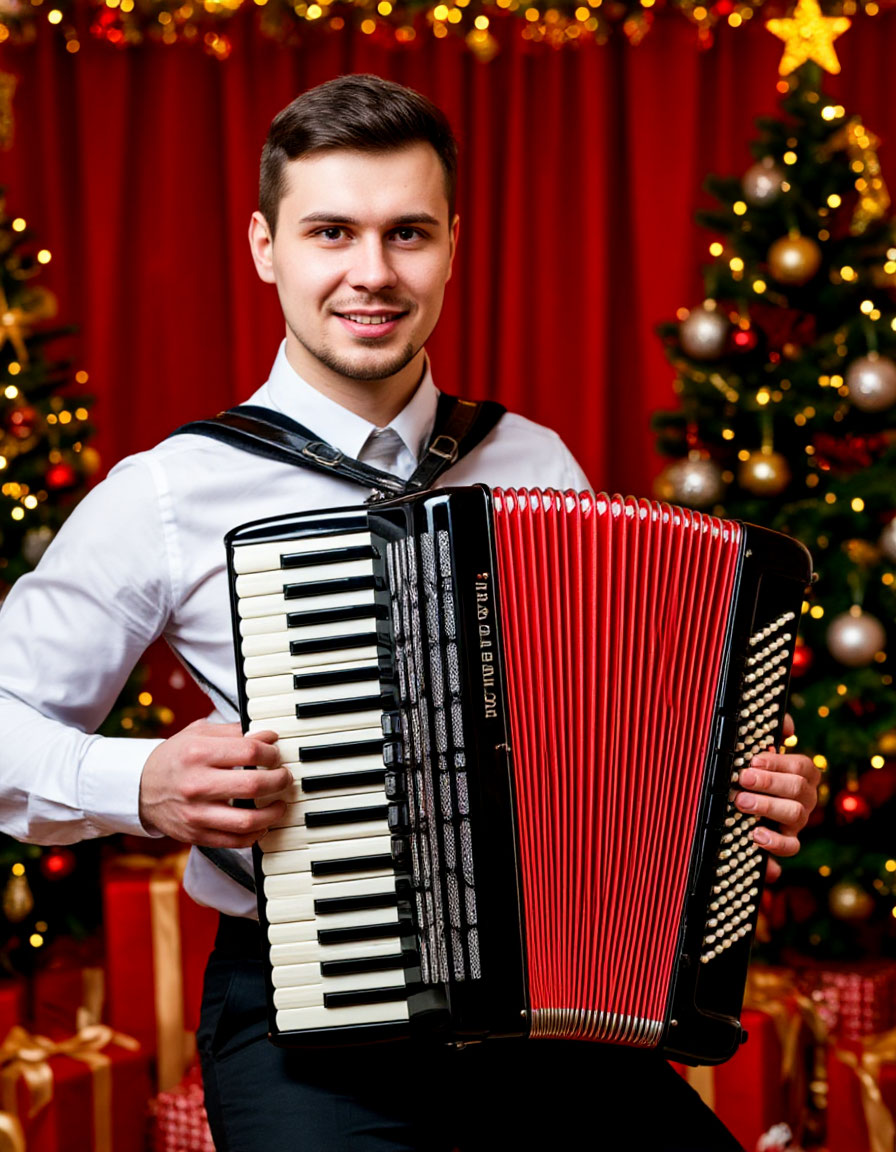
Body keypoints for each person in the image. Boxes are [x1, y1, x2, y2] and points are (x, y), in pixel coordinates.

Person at [0, 74, 819, 1150]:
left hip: (550, 1007)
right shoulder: (167, 491)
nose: (372, 273)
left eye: (408, 234)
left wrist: (739, 791)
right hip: (307, 1028)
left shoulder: (531, 460)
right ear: (265, 247)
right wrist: (140, 782)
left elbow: (615, 732)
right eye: (330, 232)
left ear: (452, 245)